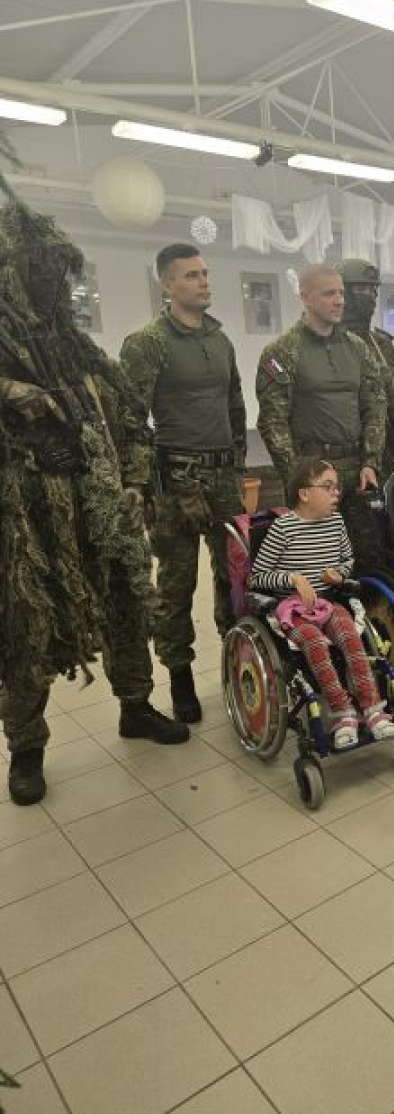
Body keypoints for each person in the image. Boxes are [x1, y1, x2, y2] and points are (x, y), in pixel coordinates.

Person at [0, 205, 188, 805]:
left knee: (126, 607)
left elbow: (133, 423)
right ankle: (26, 747)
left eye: (60, 272)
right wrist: (23, 442)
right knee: (29, 631)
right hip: (30, 530)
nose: (54, 284)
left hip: (105, 514)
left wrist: (134, 483)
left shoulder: (83, 357)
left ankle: (136, 705)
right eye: (41, 270)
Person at [120, 242, 246, 725]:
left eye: (205, 273)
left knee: (234, 575)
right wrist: (141, 484)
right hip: (176, 480)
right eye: (192, 275)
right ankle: (180, 678)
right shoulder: (147, 343)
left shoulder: (220, 339)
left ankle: (236, 660)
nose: (204, 281)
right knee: (176, 583)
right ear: (167, 284)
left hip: (223, 476)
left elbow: (235, 405)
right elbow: (130, 419)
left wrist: (237, 464)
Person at [249, 457, 394, 749]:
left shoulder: (336, 522)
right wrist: (293, 579)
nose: (336, 493)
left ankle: (373, 709)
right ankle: (343, 713)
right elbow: (257, 577)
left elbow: (347, 560)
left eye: (337, 487)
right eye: (328, 487)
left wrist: (338, 575)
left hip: (327, 603)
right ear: (304, 493)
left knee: (351, 637)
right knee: (315, 643)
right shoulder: (283, 529)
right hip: (293, 610)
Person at [256, 263, 385, 564]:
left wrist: (371, 461)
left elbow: (375, 405)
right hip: (312, 474)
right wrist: (298, 478)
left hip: (356, 471)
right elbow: (273, 422)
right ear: (305, 297)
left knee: (366, 558)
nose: (339, 300)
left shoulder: (357, 348)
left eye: (341, 293)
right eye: (329, 294)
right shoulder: (282, 351)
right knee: (316, 562)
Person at [335, 258, 394, 475]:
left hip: (391, 455)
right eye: (361, 289)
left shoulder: (382, 344)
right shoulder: (330, 344)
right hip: (351, 460)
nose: (369, 296)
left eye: (372, 290)